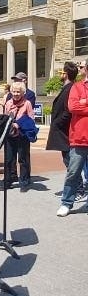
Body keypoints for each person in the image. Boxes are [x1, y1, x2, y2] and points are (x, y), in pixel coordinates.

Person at [57, 62, 88, 217]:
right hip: (79, 138)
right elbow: (73, 107)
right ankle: (66, 202)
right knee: (73, 172)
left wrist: (85, 103)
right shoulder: (77, 87)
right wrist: (80, 104)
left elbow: (79, 106)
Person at [3, 82, 35, 192]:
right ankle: (7, 181)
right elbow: (5, 117)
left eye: (18, 92)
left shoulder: (27, 103)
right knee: (9, 159)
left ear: (22, 93)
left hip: (22, 135)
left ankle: (24, 182)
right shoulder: (8, 103)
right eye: (14, 91)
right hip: (10, 135)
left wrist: (19, 124)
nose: (16, 94)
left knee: (23, 159)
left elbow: (31, 119)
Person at [46, 62, 79, 170]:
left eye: (61, 72)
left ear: (66, 74)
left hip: (65, 131)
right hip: (63, 131)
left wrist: (56, 123)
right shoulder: (67, 88)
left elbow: (68, 111)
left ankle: (76, 185)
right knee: (68, 159)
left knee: (69, 160)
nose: (60, 74)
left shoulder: (70, 89)